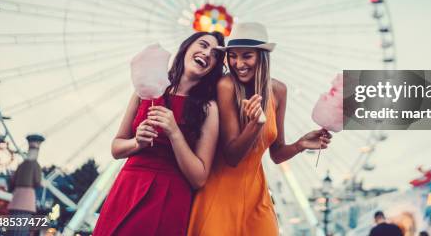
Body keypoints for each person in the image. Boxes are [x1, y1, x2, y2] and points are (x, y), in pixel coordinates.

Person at [187, 22, 332, 236]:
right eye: (233, 56)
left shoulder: (279, 91)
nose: (238, 63)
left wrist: (301, 144)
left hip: (257, 195)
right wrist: (255, 126)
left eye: (247, 55)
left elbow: (277, 153)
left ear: (262, 56)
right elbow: (232, 156)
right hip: (220, 193)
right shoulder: (226, 86)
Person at [93, 32, 225, 236]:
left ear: (215, 67)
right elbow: (116, 148)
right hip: (129, 186)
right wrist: (137, 143)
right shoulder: (146, 89)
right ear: (186, 48)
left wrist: (174, 133)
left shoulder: (209, 108)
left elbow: (199, 178)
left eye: (215, 54)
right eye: (203, 45)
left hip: (170, 196)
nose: (207, 53)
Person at [7, 134, 44, 236]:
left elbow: (12, 183)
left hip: (16, 199)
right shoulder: (36, 166)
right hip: (27, 199)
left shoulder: (21, 165)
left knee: (13, 227)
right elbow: (37, 182)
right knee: (22, 227)